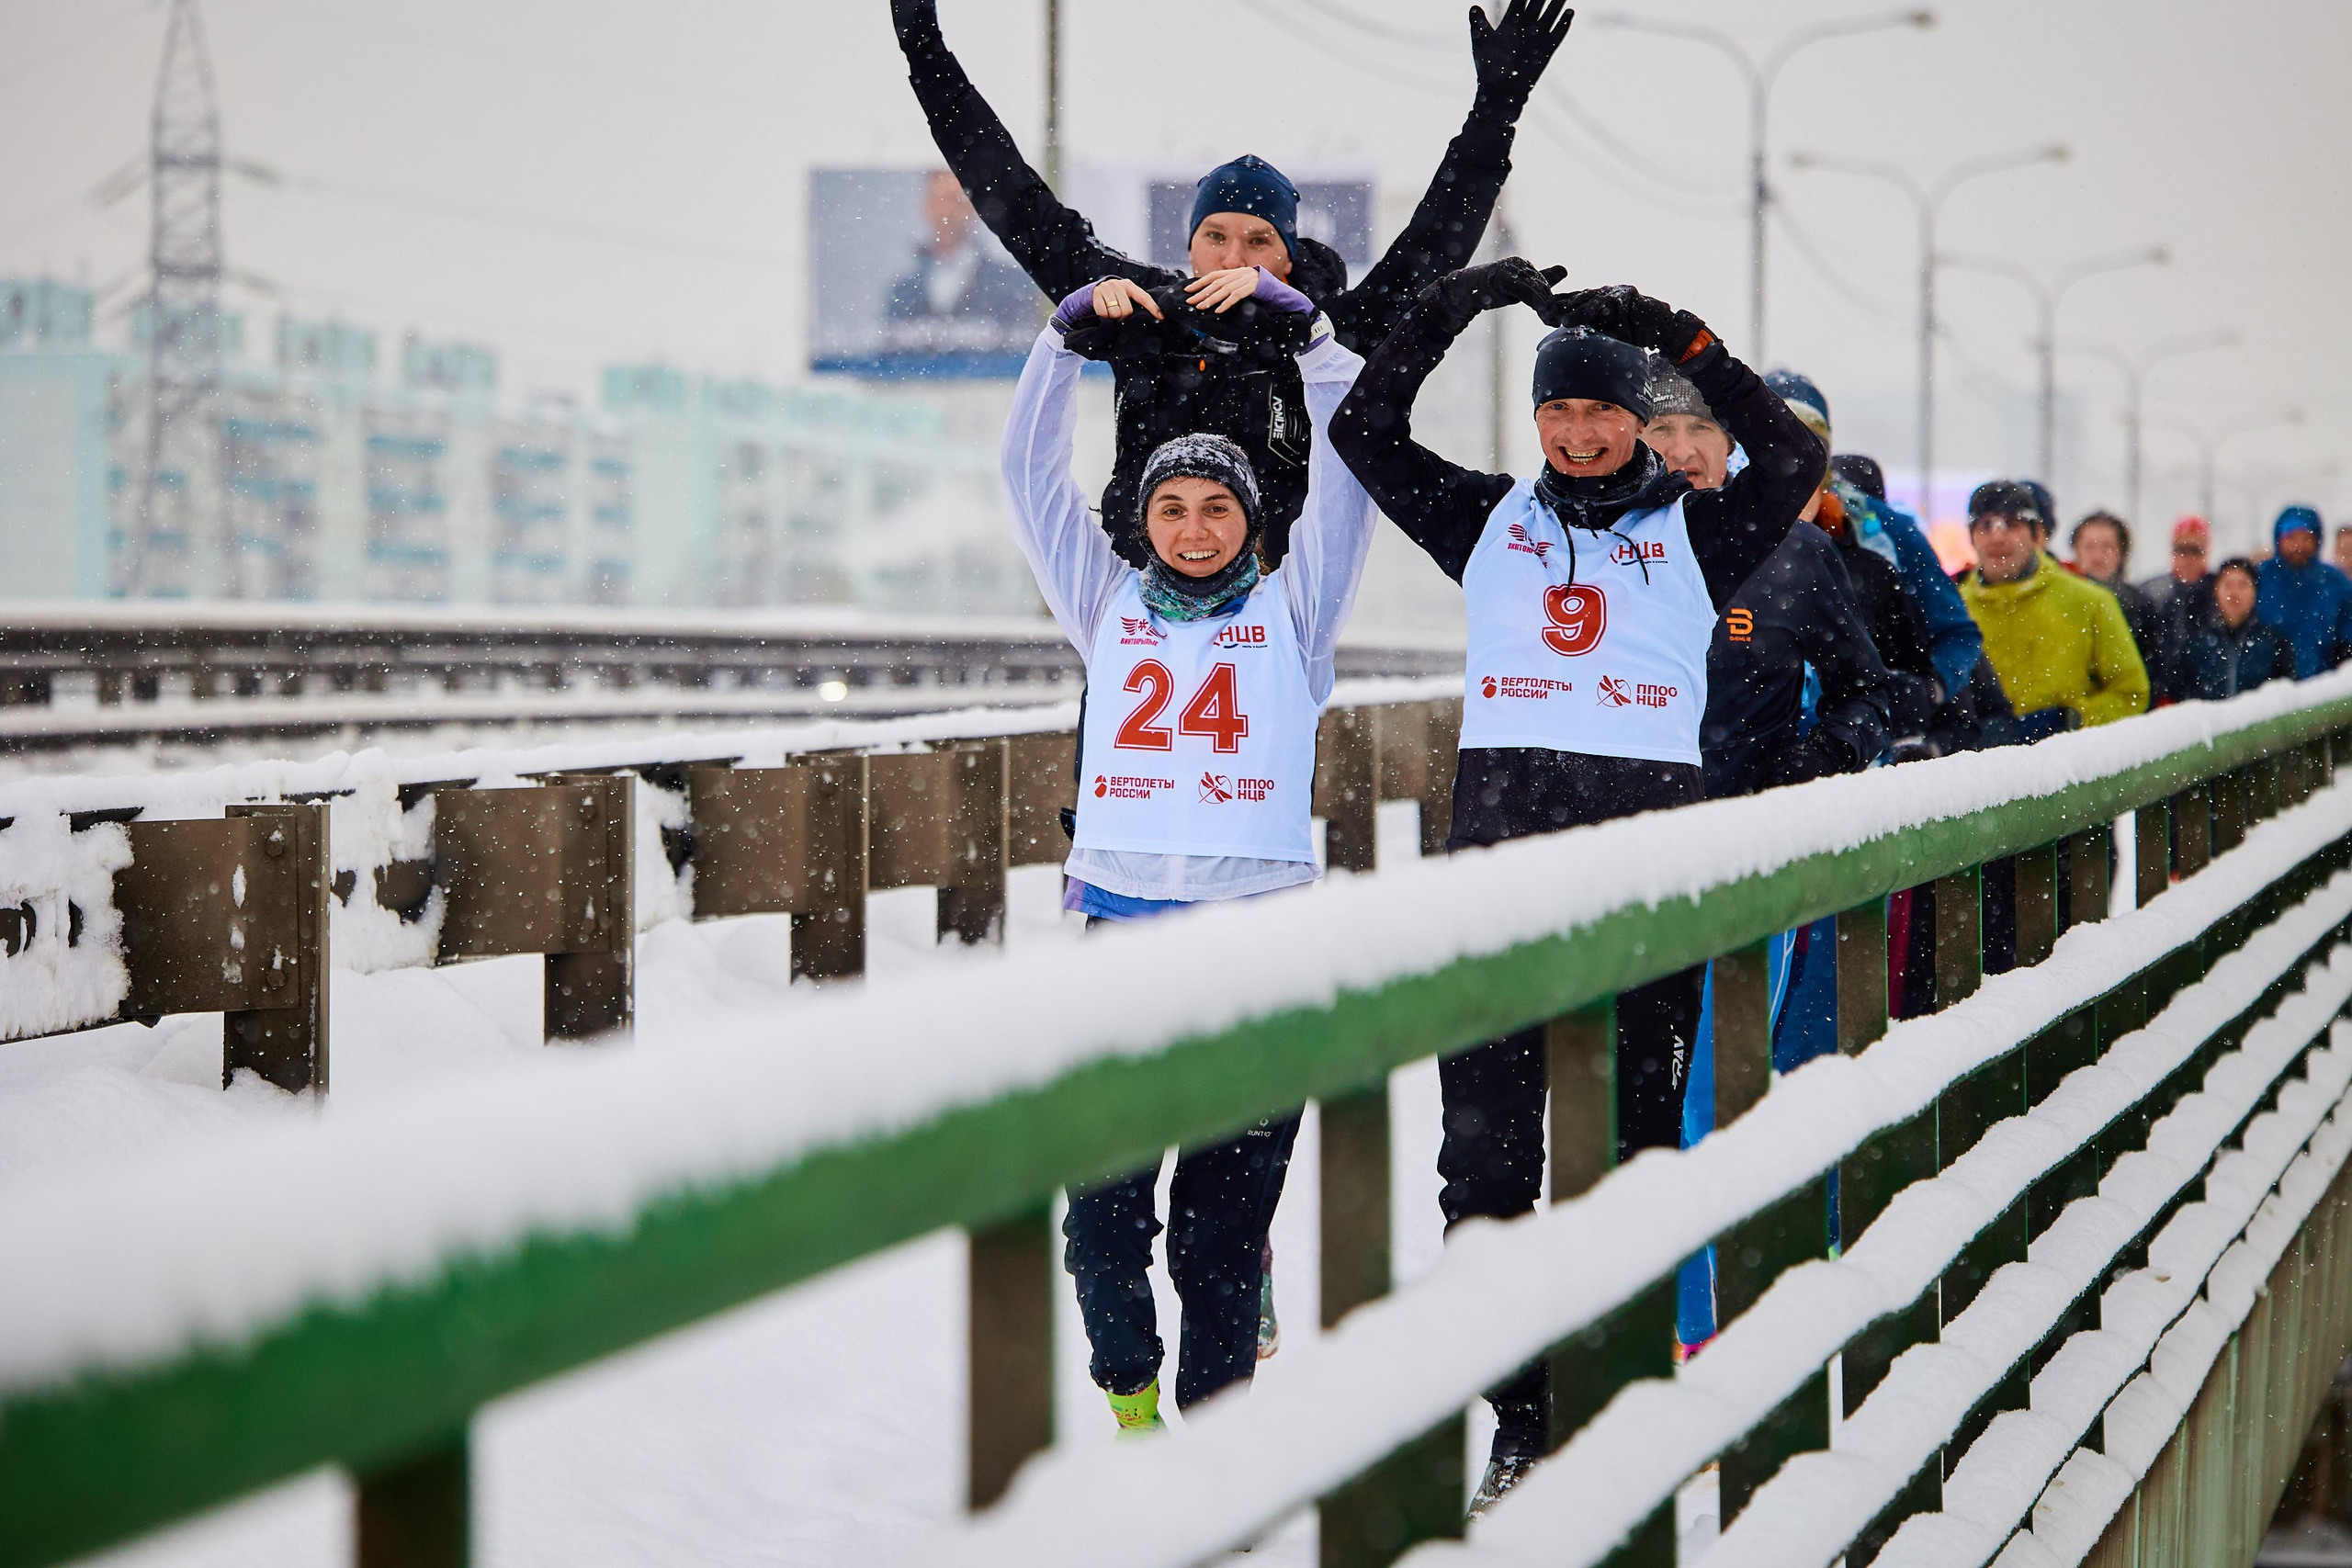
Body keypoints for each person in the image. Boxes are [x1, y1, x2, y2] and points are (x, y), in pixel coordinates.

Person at [1328, 261, 1821, 1508]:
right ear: (1537, 419)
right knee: (1487, 1175)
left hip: (1641, 894)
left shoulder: (1695, 529)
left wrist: (1670, 332)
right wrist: (1461, 303)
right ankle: (1520, 1419)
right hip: (1498, 892)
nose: (1584, 432)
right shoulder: (1488, 520)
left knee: (1637, 1155)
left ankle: (1624, 1393)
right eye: (1562, 411)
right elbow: (1362, 428)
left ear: (1639, 420)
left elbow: (1788, 452)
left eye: (1607, 410)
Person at [1002, 269, 1376, 1433]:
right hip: (1119, 943)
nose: (1197, 527)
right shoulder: (1101, 601)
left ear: (1252, 523)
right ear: (1147, 520)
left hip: (1253, 954)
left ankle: (1218, 1459)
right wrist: (1060, 345)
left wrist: (1311, 336)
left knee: (1223, 1240)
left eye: (1218, 510)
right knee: (1102, 1219)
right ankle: (1130, 1402)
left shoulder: (1297, 613)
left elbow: (1354, 465)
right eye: (1175, 510)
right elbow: (1026, 477)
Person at [892, 0, 1573, 563]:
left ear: (1286, 256)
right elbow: (1012, 197)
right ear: (1190, 247)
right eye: (1215, 237)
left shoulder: (1328, 333)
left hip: (1270, 607)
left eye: (1257, 241)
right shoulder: (1142, 311)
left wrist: (1497, 109)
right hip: (1138, 605)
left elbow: (1434, 244)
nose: (1233, 256)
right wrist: (926, 51)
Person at [1654, 363, 1893, 1354]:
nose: (1674, 450)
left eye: (1693, 431)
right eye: (1654, 431)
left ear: (1729, 447)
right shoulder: (1588, 549)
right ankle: (1635, 1326)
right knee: (1623, 1103)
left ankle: (1705, 1336)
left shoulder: (1792, 554)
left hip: (1746, 862)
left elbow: (1871, 695)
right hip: (1621, 865)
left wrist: (1813, 761)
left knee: (1714, 1088)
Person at [1959, 480, 2151, 734]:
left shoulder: (2089, 602)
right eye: (1985, 525)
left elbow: (2132, 692)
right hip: (1985, 767)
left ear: (2036, 535)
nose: (1998, 536)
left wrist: (2074, 720)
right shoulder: (1955, 612)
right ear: (1971, 537)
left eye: (2011, 524)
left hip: (2065, 765)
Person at [878, 171, 1039, 361]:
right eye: (939, 199)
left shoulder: (1011, 286)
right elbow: (890, 362)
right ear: (926, 207)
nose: (946, 211)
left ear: (973, 208)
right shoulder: (903, 292)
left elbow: (1023, 357)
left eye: (955, 199)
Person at [2172, 557, 2295, 702]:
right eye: (2227, 585)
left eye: (2242, 585)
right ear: (2216, 591)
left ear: (2255, 591)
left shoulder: (2273, 641)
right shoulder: (2197, 643)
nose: (2234, 593)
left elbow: (2287, 692)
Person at [2255, 505, 2352, 679]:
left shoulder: (2335, 582)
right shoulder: (2261, 578)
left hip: (2323, 687)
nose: (2298, 546)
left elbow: (2347, 630)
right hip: (2271, 689)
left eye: (2306, 538)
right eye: (2292, 538)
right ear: (2279, 539)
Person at [2069, 510, 2164, 667]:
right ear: (2076, 550)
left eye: (2107, 547)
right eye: (2089, 547)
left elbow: (2153, 664)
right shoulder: (2063, 598)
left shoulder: (2140, 605)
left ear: (2121, 552)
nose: (2098, 556)